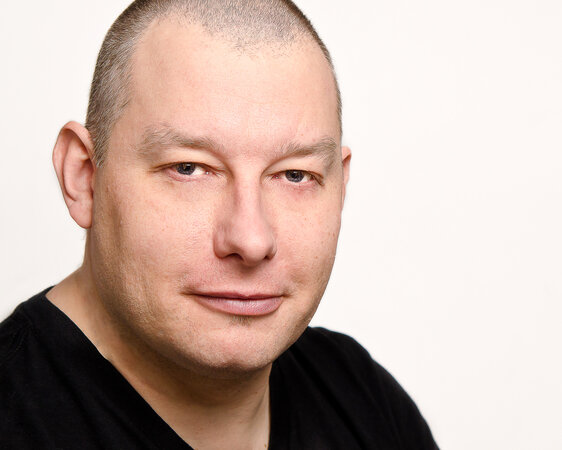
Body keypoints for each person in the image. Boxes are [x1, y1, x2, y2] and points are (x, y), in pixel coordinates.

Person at [0, 1, 437, 448]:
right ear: (84, 178)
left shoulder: (365, 402)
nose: (251, 240)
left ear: (340, 189)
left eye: (295, 175)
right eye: (188, 168)